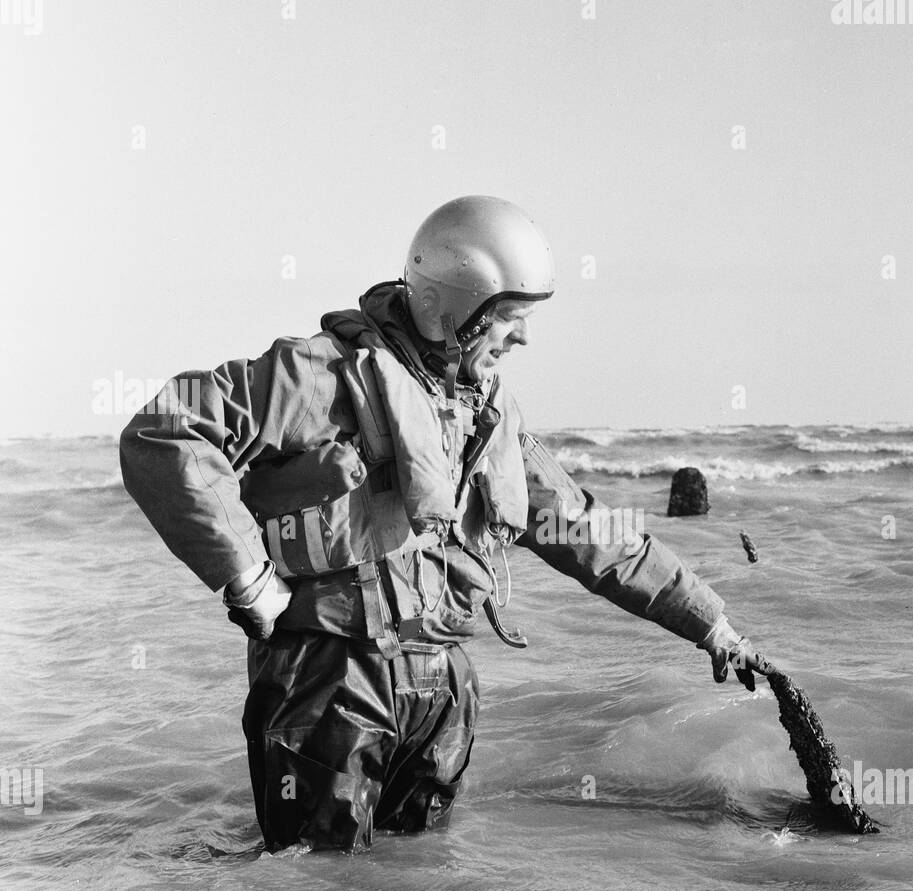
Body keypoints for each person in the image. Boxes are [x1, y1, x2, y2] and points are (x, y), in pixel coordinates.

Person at [121, 196, 760, 852]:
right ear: (449, 303)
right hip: (331, 680)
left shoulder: (489, 416)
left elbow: (586, 531)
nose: (523, 338)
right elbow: (166, 429)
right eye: (510, 318)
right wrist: (245, 577)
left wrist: (709, 623)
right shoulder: (315, 377)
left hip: (443, 691)